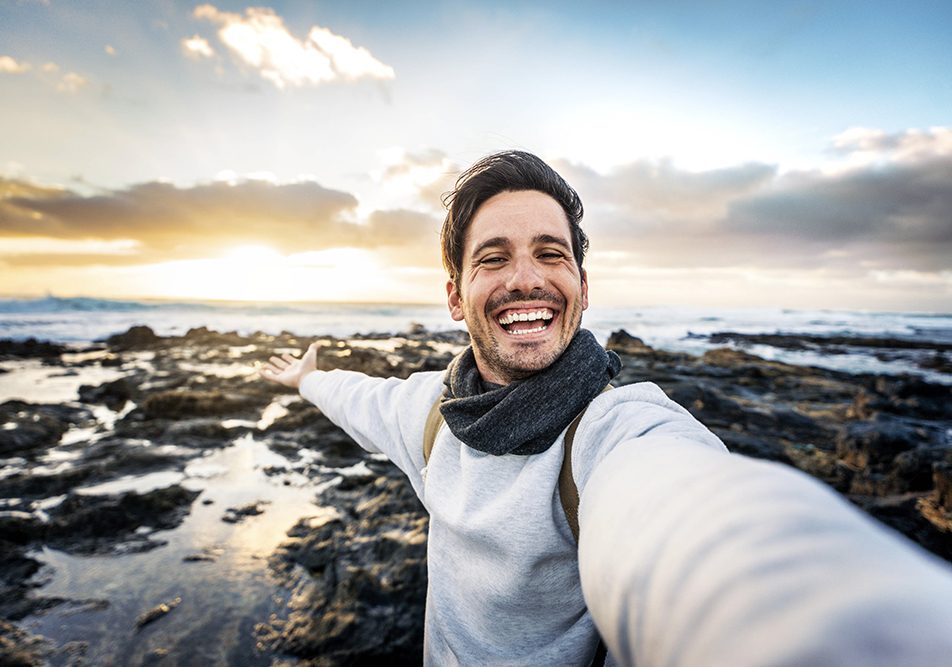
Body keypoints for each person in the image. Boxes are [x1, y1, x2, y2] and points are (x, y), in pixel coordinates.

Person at [260, 151, 952, 667]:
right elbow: (359, 397)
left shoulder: (612, 431)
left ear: (582, 287)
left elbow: (684, 511)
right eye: (493, 258)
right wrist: (305, 379)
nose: (526, 278)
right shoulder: (434, 417)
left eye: (550, 253)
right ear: (454, 296)